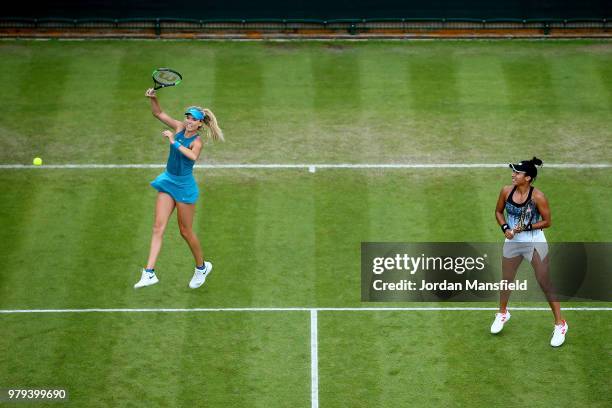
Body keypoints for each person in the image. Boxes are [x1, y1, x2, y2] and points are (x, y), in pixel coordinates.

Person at [134, 88, 223, 289]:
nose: (189, 121)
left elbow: (192, 157)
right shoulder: (179, 127)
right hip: (168, 181)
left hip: (184, 187)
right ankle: (149, 273)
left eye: (194, 119)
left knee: (185, 231)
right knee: (158, 227)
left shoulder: (197, 142)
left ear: (200, 123)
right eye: (188, 117)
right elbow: (158, 114)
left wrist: (173, 142)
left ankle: (201, 267)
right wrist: (154, 99)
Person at [492, 157, 568, 347]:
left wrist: (525, 227)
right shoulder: (505, 191)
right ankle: (502, 313)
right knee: (506, 279)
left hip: (535, 243)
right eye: (514, 171)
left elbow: (547, 222)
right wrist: (505, 229)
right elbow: (499, 212)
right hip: (512, 242)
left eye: (517, 173)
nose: (513, 175)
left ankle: (561, 324)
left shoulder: (538, 197)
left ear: (528, 178)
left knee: (544, 281)